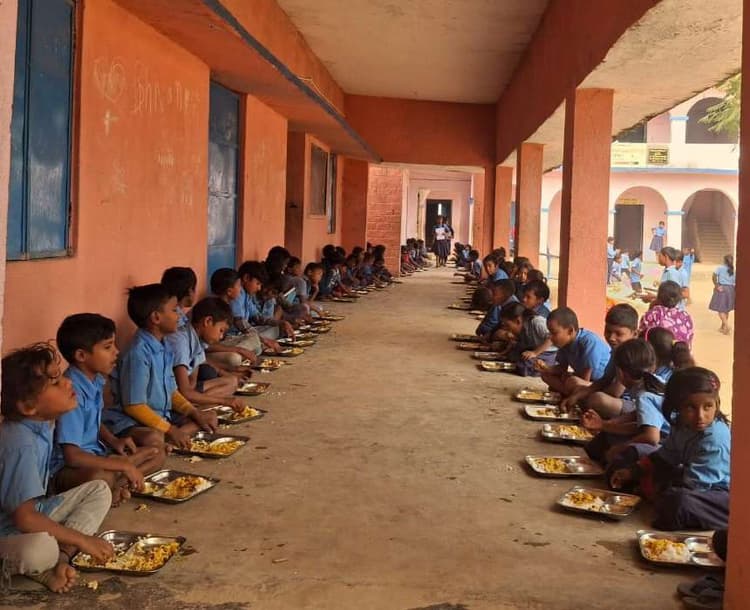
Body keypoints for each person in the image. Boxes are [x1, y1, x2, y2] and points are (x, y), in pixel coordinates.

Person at [0, 344, 115, 593]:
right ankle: (43, 564)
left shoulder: (43, 423)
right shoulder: (19, 443)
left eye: (60, 375)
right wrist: (82, 540)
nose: (67, 382)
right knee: (39, 550)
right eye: (54, 382)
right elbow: (24, 518)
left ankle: (61, 558)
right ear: (28, 406)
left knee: (99, 490)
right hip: (8, 529)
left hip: (31, 513)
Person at [51, 314, 165, 506]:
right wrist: (120, 464)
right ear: (81, 356)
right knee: (101, 477)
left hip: (97, 455)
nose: (116, 351)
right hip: (69, 469)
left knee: (156, 453)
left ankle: (118, 485)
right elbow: (72, 456)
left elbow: (93, 421)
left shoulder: (94, 379)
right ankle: (114, 484)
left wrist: (113, 440)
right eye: (107, 347)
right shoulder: (71, 392)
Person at [610, 367, 730, 531]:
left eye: (708, 406)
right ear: (677, 407)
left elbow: (694, 485)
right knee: (632, 455)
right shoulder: (681, 424)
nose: (700, 416)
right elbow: (665, 457)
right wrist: (633, 471)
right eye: (690, 407)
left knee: (677, 501)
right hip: (689, 475)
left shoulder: (715, 438)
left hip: (719, 493)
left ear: (717, 404)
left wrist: (655, 487)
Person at [103, 284, 218, 450]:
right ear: (156, 318)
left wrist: (194, 412)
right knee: (153, 437)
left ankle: (169, 441)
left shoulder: (164, 344)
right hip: (133, 420)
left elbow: (172, 392)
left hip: (162, 416)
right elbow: (134, 406)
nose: (179, 316)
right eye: (174, 310)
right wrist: (170, 429)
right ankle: (166, 441)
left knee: (209, 417)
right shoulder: (138, 353)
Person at [165, 297, 247, 408]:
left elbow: (192, 383)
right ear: (208, 321)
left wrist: (231, 373)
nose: (221, 336)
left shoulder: (199, 341)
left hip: (187, 391)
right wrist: (224, 401)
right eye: (221, 330)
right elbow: (185, 391)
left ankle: (196, 403)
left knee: (231, 381)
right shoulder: (180, 341)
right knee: (221, 386)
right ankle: (191, 407)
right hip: (174, 394)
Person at [560, 304, 639, 418]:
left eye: (619, 334)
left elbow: (615, 392)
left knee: (597, 399)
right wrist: (578, 395)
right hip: (614, 397)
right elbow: (605, 380)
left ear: (634, 334)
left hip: (633, 405)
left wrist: (586, 394)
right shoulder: (616, 351)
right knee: (576, 387)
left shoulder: (632, 355)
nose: (611, 337)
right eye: (608, 331)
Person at [539, 307, 611, 396]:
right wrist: (546, 368)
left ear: (570, 331)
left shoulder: (588, 341)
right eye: (549, 333)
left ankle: (573, 394)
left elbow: (586, 376)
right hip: (583, 379)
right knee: (546, 375)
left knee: (573, 381)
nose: (550, 337)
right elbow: (562, 368)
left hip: (599, 382)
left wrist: (571, 381)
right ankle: (569, 392)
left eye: (554, 333)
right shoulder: (564, 344)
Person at [207, 267, 263, 369]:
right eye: (239, 286)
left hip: (224, 344)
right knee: (234, 358)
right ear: (229, 291)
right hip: (209, 351)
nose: (241, 290)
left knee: (255, 339)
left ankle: (241, 355)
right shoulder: (212, 308)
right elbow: (206, 346)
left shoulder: (227, 306)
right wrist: (239, 350)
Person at [498, 302, 557, 376]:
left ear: (518, 321)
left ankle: (549, 367)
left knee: (523, 365)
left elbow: (551, 337)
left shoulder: (537, 322)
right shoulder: (522, 327)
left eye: (508, 325)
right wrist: (508, 349)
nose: (507, 328)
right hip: (534, 350)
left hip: (548, 353)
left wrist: (535, 353)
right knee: (512, 356)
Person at [638, 281, 695, 347]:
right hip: (681, 352)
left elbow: (642, 337)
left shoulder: (653, 314)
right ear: (679, 299)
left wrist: (651, 307)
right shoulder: (686, 316)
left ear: (658, 297)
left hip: (659, 352)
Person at [709, 254, 736, 335]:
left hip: (722, 289)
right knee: (726, 309)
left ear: (724, 261)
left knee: (721, 309)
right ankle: (723, 327)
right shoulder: (733, 270)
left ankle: (727, 326)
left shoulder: (720, 268)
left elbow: (714, 276)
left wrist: (717, 285)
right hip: (731, 289)